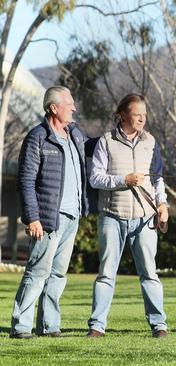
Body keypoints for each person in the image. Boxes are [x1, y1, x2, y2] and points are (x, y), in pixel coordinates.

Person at [86, 93, 169, 338]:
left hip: (144, 218)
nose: (142, 118)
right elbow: (95, 178)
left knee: (149, 274)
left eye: (144, 113)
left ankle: (159, 325)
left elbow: (157, 180)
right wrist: (124, 180)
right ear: (123, 115)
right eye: (137, 113)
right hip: (112, 216)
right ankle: (97, 326)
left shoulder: (151, 142)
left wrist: (162, 205)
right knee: (106, 273)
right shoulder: (106, 141)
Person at [11, 86, 89, 338]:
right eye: (69, 104)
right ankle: (21, 326)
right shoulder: (38, 137)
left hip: (72, 215)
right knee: (37, 271)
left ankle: (49, 325)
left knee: (58, 274)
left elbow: (94, 151)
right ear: (54, 108)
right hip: (46, 218)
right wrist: (32, 217)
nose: (74, 108)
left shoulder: (74, 136)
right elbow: (25, 180)